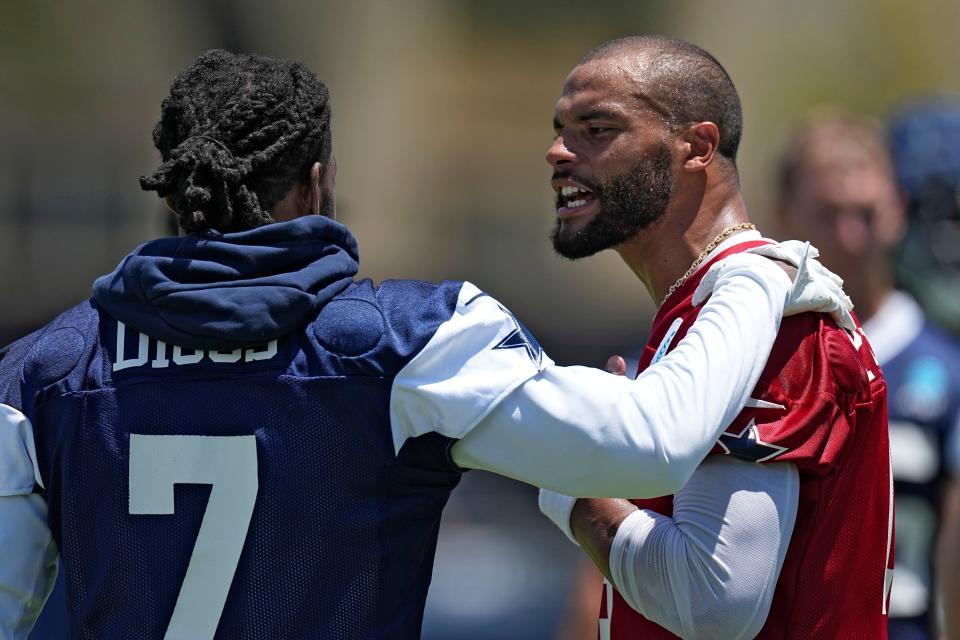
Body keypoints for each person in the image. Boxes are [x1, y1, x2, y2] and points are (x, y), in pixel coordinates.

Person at [0, 50, 849, 639]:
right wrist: (759, 273)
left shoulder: (45, 370)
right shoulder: (406, 338)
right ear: (319, 181)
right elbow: (654, 443)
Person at [537, 36, 891, 639]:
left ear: (697, 147)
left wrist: (569, 477)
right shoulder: (706, 308)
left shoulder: (769, 320)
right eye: (562, 129)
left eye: (596, 129)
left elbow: (715, 600)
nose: (557, 152)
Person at [777, 111, 960, 640]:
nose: (851, 237)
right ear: (785, 213)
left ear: (898, 210)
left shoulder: (946, 367)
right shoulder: (745, 350)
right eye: (829, 214)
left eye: (866, 213)